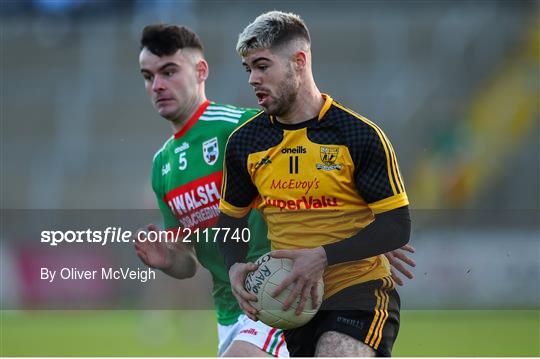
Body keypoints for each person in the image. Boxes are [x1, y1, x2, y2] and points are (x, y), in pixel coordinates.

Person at [134, 23, 414, 357]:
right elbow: (191, 262)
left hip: (279, 289)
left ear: (200, 71)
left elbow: (307, 145)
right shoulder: (161, 165)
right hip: (234, 306)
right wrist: (170, 259)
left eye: (168, 72)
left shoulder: (238, 128)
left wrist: (365, 222)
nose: (158, 86)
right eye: (148, 77)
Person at [217, 11, 411, 357]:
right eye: (248, 69)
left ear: (299, 61)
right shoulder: (245, 143)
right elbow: (230, 220)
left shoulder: (357, 135)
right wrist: (233, 264)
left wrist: (323, 257)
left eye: (262, 66)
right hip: (289, 302)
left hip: (358, 292)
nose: (252, 79)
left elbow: (396, 226)